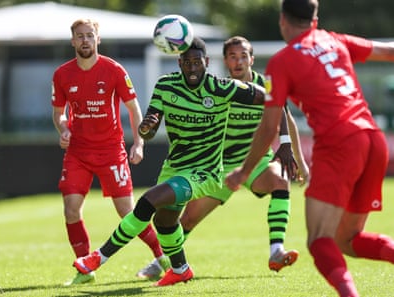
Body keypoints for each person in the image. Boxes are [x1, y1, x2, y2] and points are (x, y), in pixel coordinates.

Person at [225, 1, 394, 296]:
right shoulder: (334, 40)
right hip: (373, 140)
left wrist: (244, 170)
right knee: (348, 240)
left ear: (282, 20)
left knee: (319, 240)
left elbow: (268, 127)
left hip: (341, 143)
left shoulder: (282, 62)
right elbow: (388, 51)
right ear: (314, 19)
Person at [72, 36, 267, 286]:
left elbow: (266, 95)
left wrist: (280, 126)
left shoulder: (221, 87)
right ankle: (181, 269)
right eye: (187, 63)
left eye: (197, 62)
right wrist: (147, 127)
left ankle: (98, 258)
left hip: (205, 172)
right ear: (179, 62)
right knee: (164, 223)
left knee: (148, 201)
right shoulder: (166, 85)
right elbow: (149, 128)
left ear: (206, 62)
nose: (193, 68)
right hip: (174, 167)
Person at [51, 18, 169, 285]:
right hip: (78, 152)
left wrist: (139, 142)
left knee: (127, 213)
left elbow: (134, 109)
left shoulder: (114, 70)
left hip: (110, 151)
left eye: (89, 36)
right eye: (80, 36)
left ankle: (161, 255)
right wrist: (64, 130)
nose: (85, 40)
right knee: (71, 209)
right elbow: (58, 114)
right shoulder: (62, 75)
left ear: (98, 39)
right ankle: (86, 269)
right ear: (73, 41)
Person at [179, 36, 309, 272]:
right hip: (220, 167)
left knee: (280, 181)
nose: (238, 62)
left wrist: (300, 161)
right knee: (187, 220)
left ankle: (276, 251)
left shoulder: (266, 85)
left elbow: (287, 119)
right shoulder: (220, 88)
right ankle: (162, 261)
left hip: (256, 162)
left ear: (251, 59)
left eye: (243, 56)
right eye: (232, 57)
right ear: (226, 61)